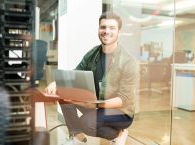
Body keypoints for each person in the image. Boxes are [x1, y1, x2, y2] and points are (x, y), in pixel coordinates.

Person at [45, 12, 139, 145]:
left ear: (119, 32)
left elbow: (123, 100)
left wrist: (94, 105)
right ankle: (76, 135)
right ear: (99, 29)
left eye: (112, 28)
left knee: (87, 122)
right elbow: (74, 74)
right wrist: (56, 83)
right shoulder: (93, 54)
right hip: (97, 104)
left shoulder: (128, 61)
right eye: (103, 27)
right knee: (63, 93)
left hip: (121, 112)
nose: (106, 31)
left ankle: (119, 134)